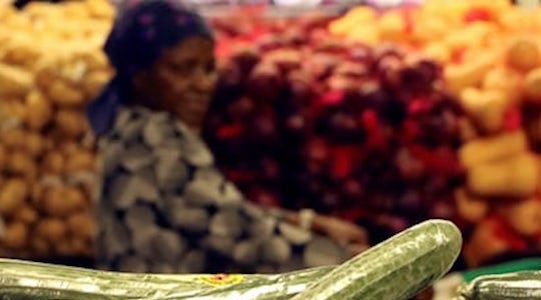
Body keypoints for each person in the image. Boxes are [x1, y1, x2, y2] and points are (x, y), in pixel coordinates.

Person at [88, 0, 369, 274]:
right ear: (139, 74)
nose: (203, 84)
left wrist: (308, 222)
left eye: (208, 68)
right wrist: (348, 263)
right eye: (182, 69)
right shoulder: (157, 136)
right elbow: (239, 231)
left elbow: (218, 208)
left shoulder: (126, 123)